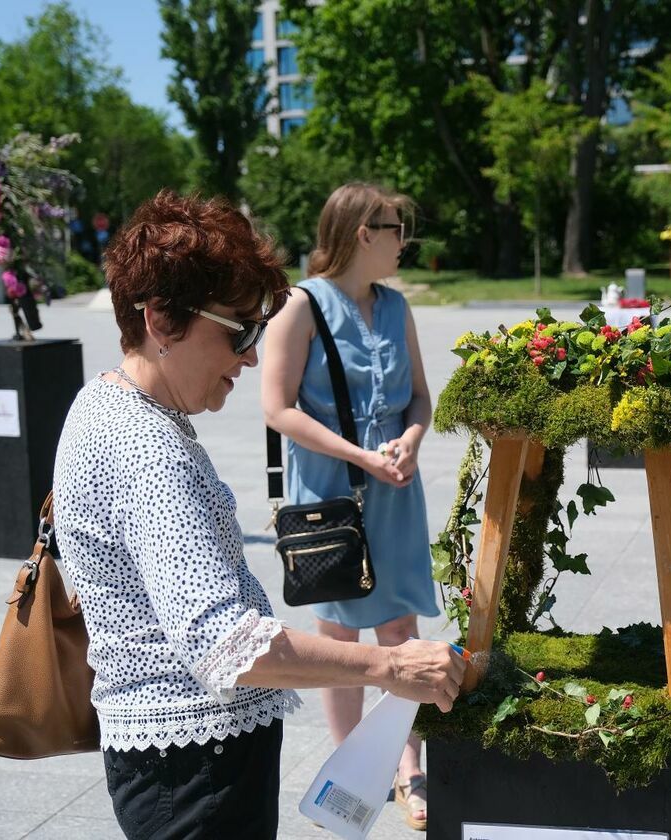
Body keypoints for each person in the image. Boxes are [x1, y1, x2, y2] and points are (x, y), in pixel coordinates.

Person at [52, 191, 465, 840]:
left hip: (188, 758)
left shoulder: (111, 407)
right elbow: (226, 646)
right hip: (193, 773)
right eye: (239, 330)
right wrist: (392, 668)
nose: (250, 356)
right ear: (162, 321)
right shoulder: (145, 449)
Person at [260, 182, 438, 830]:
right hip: (331, 495)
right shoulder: (299, 308)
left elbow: (421, 395)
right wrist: (359, 456)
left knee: (399, 631)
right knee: (340, 638)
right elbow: (276, 409)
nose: (403, 241)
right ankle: (351, 768)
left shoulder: (396, 307)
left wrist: (412, 439)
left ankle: (406, 766)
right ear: (365, 233)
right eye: (396, 228)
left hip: (394, 489)